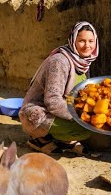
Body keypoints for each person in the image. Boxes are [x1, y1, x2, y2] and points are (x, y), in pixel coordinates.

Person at [19, 21, 99, 156]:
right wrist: (79, 117)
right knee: (86, 130)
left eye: (91, 41)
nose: (87, 46)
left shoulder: (82, 61)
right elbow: (52, 100)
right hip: (38, 113)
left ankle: (62, 139)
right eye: (82, 41)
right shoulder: (60, 62)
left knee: (96, 127)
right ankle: (41, 139)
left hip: (62, 111)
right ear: (73, 40)